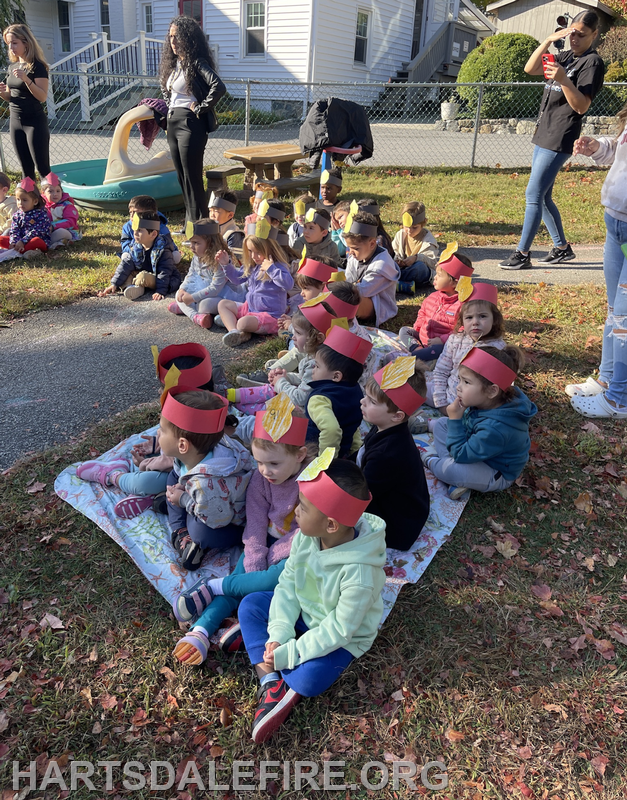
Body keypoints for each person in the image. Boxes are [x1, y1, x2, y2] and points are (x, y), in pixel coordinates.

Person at [237, 455, 385, 743]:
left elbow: (339, 630)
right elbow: (289, 583)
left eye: (302, 507)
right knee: (250, 604)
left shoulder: (359, 574)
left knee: (309, 680)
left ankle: (263, 655)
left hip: (340, 637)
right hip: (304, 613)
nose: (294, 511)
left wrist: (289, 653)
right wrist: (279, 633)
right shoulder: (306, 535)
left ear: (331, 525)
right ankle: (270, 681)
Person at [171, 406, 309, 665]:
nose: (265, 470)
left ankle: (211, 587)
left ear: (300, 455)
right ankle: (200, 631)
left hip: (294, 548)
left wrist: (274, 555)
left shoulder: (311, 482)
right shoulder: (260, 478)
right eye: (258, 461)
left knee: (269, 581)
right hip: (264, 542)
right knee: (241, 578)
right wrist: (256, 554)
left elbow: (306, 531)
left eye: (274, 463)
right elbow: (255, 520)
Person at [499, 11, 604, 270]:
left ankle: (522, 254)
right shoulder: (566, 56)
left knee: (533, 194)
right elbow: (531, 68)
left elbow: (581, 106)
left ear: (594, 34)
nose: (575, 39)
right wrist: (547, 40)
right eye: (572, 33)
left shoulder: (592, 63)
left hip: (561, 135)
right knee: (544, 196)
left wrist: (563, 79)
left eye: (581, 35)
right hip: (544, 132)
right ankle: (561, 248)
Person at [75, 343, 215, 519]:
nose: (159, 391)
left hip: (183, 474)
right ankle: (156, 497)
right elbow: (169, 443)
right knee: (141, 454)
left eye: (165, 388)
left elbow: (173, 462)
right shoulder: (192, 411)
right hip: (175, 464)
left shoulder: (200, 426)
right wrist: (157, 444)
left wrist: (149, 463)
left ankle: (113, 476)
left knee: (143, 481)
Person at [565, 109, 627, 419]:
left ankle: (620, 398)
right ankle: (607, 379)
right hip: (616, 224)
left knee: (626, 317)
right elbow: (621, 149)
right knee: (615, 310)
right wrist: (598, 147)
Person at [422, 346, 538, 501]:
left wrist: (456, 419)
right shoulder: (489, 402)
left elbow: (461, 454)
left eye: (467, 382)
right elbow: (467, 431)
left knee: (450, 470)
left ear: (491, 391)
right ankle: (455, 472)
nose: (458, 387)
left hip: (494, 470)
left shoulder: (496, 429)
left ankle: (429, 459)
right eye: (460, 380)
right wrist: (455, 421)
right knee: (443, 423)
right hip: (475, 450)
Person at [162, 386, 254, 570]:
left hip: (228, 520)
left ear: (182, 445)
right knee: (174, 476)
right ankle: (176, 512)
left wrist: (183, 500)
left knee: (201, 533)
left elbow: (216, 520)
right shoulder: (200, 448)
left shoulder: (206, 486)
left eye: (162, 430)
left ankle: (182, 532)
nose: (158, 434)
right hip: (207, 500)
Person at [160, 15, 226, 225]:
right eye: (171, 36)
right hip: (173, 123)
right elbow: (168, 91)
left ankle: (202, 224)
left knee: (193, 177)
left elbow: (218, 86)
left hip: (191, 123)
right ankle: (190, 223)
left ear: (188, 38)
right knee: (181, 177)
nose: (173, 41)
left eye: (178, 36)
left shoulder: (197, 63)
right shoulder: (174, 65)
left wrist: (200, 107)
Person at [358, 358, 430, 550]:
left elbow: (362, 495)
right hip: (400, 506)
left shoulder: (388, 454)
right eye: (365, 396)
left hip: (397, 527)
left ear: (397, 415)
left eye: (371, 401)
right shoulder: (385, 427)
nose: (362, 402)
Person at [229, 297, 336, 413]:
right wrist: (287, 377)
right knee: (274, 388)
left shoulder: (316, 365)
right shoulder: (316, 356)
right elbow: (304, 380)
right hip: (307, 403)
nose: (293, 337)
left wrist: (281, 382)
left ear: (319, 338)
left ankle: (236, 409)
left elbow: (300, 398)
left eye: (298, 333)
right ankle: (233, 396)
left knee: (272, 406)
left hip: (308, 413)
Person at [426, 282, 506, 412]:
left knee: (444, 427)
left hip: (474, 407)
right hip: (447, 394)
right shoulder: (455, 340)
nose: (475, 322)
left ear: (494, 319)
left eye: (482, 316)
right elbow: (441, 371)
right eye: (469, 317)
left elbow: (496, 388)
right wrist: (441, 403)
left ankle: (430, 424)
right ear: (462, 320)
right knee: (414, 387)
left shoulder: (498, 348)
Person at [217, 224, 294, 347]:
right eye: (250, 251)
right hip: (250, 309)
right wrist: (226, 264)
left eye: (258, 252)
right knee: (223, 304)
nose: (253, 256)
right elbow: (237, 279)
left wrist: (271, 269)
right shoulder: (253, 265)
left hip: (270, 316)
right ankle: (234, 331)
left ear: (269, 249)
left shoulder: (278, 266)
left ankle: (239, 326)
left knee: (243, 323)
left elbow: (288, 285)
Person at [306, 325, 372, 457]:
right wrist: (356, 451)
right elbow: (354, 425)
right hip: (344, 452)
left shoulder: (319, 398)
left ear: (336, 376)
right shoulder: (356, 391)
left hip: (313, 453)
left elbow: (331, 430)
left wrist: (325, 463)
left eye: (317, 366)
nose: (313, 370)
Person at [398, 248, 474, 362]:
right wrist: (418, 327)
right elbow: (422, 313)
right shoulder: (432, 297)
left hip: (441, 345)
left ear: (455, 282)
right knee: (404, 331)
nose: (435, 277)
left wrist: (442, 339)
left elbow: (462, 331)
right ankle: (417, 349)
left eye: (439, 275)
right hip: (424, 338)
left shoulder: (463, 305)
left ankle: (412, 358)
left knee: (441, 350)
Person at [168, 219, 244, 328]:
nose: (191, 246)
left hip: (224, 295)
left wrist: (192, 298)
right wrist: (182, 289)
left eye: (196, 243)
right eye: (191, 242)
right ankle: (195, 315)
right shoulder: (197, 256)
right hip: (204, 288)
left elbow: (215, 288)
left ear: (210, 244)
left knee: (204, 305)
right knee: (178, 294)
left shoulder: (220, 260)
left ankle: (189, 310)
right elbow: (191, 275)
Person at [0, 24, 50, 180]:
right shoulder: (12, 67)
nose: (11, 48)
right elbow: (11, 96)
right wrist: (2, 94)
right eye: (9, 44)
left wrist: (26, 79)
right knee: (26, 170)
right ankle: (31, 203)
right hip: (15, 122)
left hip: (34, 122)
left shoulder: (37, 67)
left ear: (26, 42)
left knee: (43, 169)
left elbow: (42, 97)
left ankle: (55, 203)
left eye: (15, 43)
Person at [99, 211, 181, 301]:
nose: (135, 233)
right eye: (134, 230)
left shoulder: (162, 250)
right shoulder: (136, 247)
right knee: (127, 273)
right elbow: (126, 264)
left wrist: (161, 291)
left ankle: (136, 285)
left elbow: (164, 272)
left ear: (153, 234)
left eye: (139, 230)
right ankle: (133, 288)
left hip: (159, 278)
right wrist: (114, 283)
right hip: (140, 273)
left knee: (143, 277)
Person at [344, 211, 400, 325]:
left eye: (355, 248)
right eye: (349, 248)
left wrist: (340, 289)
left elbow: (363, 291)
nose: (351, 253)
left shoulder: (382, 265)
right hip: (359, 293)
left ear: (372, 244)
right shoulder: (356, 256)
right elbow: (348, 279)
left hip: (378, 307)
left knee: (350, 299)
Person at [392, 202, 439, 292]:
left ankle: (393, 281)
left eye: (414, 227)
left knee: (420, 268)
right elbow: (395, 252)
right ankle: (401, 283)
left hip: (419, 271)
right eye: (406, 227)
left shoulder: (429, 241)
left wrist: (416, 258)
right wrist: (398, 261)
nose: (409, 231)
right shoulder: (400, 235)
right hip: (403, 269)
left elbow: (433, 263)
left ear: (424, 223)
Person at [120, 195, 180, 264]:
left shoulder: (160, 226)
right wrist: (134, 248)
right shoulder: (127, 226)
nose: (132, 216)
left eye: (136, 212)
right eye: (130, 212)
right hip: (136, 253)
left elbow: (169, 243)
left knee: (175, 256)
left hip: (157, 254)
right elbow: (125, 242)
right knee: (125, 256)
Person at [0, 177, 50, 258]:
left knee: (37, 241)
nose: (20, 203)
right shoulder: (17, 215)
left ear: (35, 201)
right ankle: (18, 249)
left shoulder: (40, 214)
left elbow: (38, 231)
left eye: (24, 200)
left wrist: (23, 241)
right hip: (20, 241)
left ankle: (29, 251)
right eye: (18, 199)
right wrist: (14, 241)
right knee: (1, 239)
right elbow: (14, 230)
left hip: (34, 240)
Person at [40, 172, 80, 247]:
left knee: (60, 232)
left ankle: (44, 245)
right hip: (45, 231)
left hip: (66, 230)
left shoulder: (66, 205)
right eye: (50, 191)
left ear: (62, 191)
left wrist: (53, 226)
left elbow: (71, 221)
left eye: (58, 191)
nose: (55, 194)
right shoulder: (41, 206)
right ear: (43, 193)